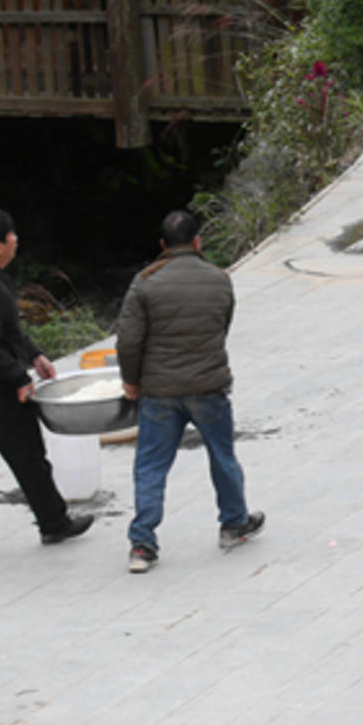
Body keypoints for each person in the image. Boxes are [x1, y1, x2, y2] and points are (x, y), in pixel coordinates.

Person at [117, 210, 263, 574]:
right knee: (222, 455)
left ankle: (142, 544)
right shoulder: (219, 280)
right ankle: (233, 524)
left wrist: (131, 380)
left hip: (159, 392)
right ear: (198, 242)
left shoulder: (144, 283)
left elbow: (129, 341)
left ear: (163, 245)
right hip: (208, 387)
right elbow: (221, 327)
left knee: (151, 465)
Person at [0, 210, 94, 545]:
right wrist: (20, 377)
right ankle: (54, 522)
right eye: (11, 235)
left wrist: (35, 355)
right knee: (29, 457)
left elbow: (10, 333)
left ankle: (53, 520)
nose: (17, 239)